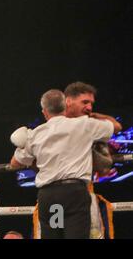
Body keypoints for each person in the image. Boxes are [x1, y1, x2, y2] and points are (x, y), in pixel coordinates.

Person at [9, 89, 117, 238]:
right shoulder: (83, 125)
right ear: (65, 107)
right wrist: (94, 116)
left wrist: (21, 144)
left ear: (45, 112)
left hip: (51, 197)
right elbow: (115, 126)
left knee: (55, 235)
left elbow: (14, 164)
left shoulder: (35, 134)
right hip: (74, 194)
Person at [64, 81, 121, 239]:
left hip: (74, 192)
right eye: (85, 102)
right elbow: (116, 126)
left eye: (91, 103)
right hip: (63, 193)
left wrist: (95, 116)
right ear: (68, 101)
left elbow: (116, 127)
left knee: (86, 234)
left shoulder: (87, 125)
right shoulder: (83, 125)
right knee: (61, 233)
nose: (89, 107)